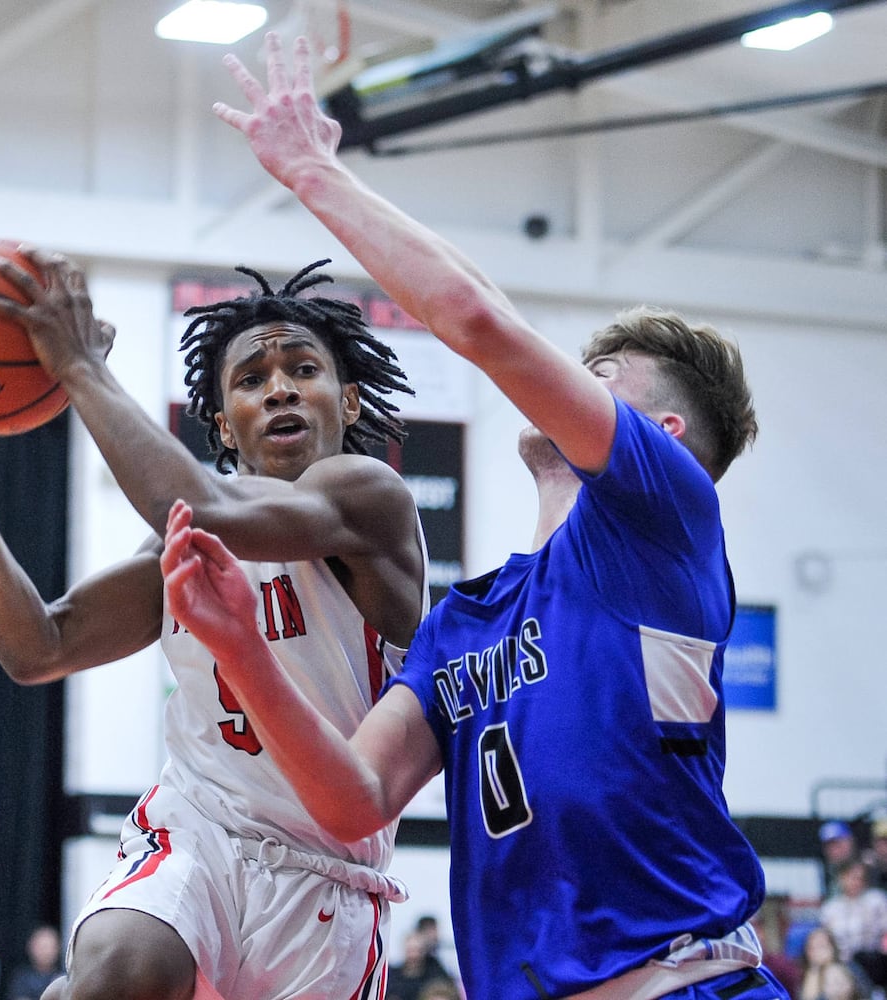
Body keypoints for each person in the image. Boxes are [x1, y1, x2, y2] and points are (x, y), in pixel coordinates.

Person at [174, 31, 782, 998]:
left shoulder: (664, 524)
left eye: (600, 381)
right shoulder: (463, 621)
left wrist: (313, 175)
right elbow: (351, 799)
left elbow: (480, 322)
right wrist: (242, 651)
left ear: (660, 434)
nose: (565, 389)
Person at [0, 239, 426, 997]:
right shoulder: (185, 539)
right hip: (197, 829)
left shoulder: (369, 500)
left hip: (325, 876)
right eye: (252, 379)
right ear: (223, 423)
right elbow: (38, 646)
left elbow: (202, 503)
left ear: (349, 402)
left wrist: (80, 368)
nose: (280, 390)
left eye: (304, 370)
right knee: (114, 970)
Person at [819, 857, 887, 990]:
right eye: (851, 877)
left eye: (859, 877)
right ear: (841, 878)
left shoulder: (877, 900)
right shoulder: (830, 908)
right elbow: (827, 940)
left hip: (875, 961)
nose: (855, 881)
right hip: (842, 964)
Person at [383, 926, 452, 1000]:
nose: (414, 955)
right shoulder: (392, 976)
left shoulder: (435, 973)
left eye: (417, 950)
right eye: (410, 950)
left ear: (424, 951)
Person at [4, 925, 63, 1000]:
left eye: (48, 947)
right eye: (41, 947)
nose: (45, 952)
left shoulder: (65, 977)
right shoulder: (21, 978)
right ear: (30, 947)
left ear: (58, 948)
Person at [821, 821, 859, 896]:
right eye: (829, 845)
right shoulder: (830, 872)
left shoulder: (869, 868)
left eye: (838, 844)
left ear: (850, 842)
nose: (833, 850)